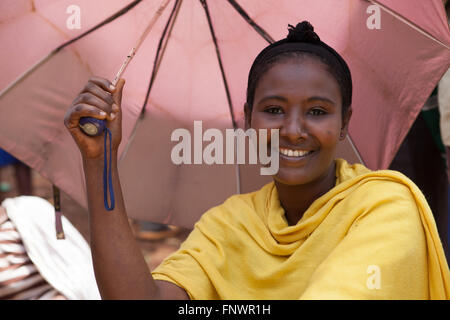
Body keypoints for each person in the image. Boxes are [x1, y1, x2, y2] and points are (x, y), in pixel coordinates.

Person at [64, 22, 449, 299]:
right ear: (248, 119)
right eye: (274, 110)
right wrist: (99, 164)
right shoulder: (230, 223)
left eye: (317, 112)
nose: (293, 130)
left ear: (345, 122)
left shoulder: (386, 206)